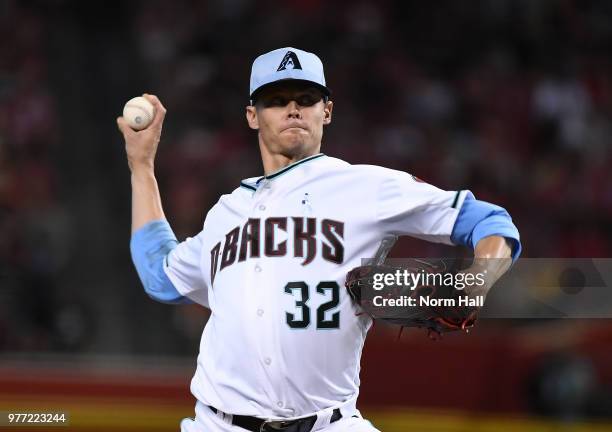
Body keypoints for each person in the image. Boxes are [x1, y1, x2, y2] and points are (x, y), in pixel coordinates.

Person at [117, 47, 521, 432]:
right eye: (276, 99)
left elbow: (490, 222)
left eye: (306, 98)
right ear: (252, 116)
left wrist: (475, 283)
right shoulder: (226, 213)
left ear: (326, 111)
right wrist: (141, 166)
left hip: (331, 422)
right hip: (217, 423)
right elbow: (160, 275)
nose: (292, 108)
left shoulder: (366, 186)